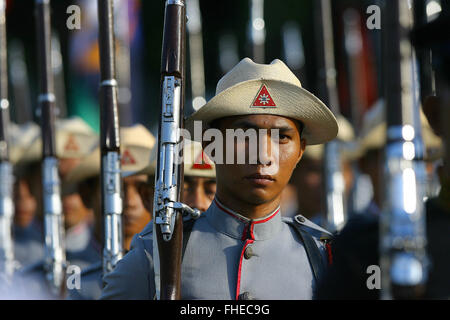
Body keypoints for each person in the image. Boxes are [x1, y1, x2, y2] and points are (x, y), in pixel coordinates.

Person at [101, 57, 337, 300]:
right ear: (211, 145)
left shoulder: (323, 257)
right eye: (245, 135)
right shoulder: (158, 252)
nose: (265, 156)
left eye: (282, 137)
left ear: (301, 150)